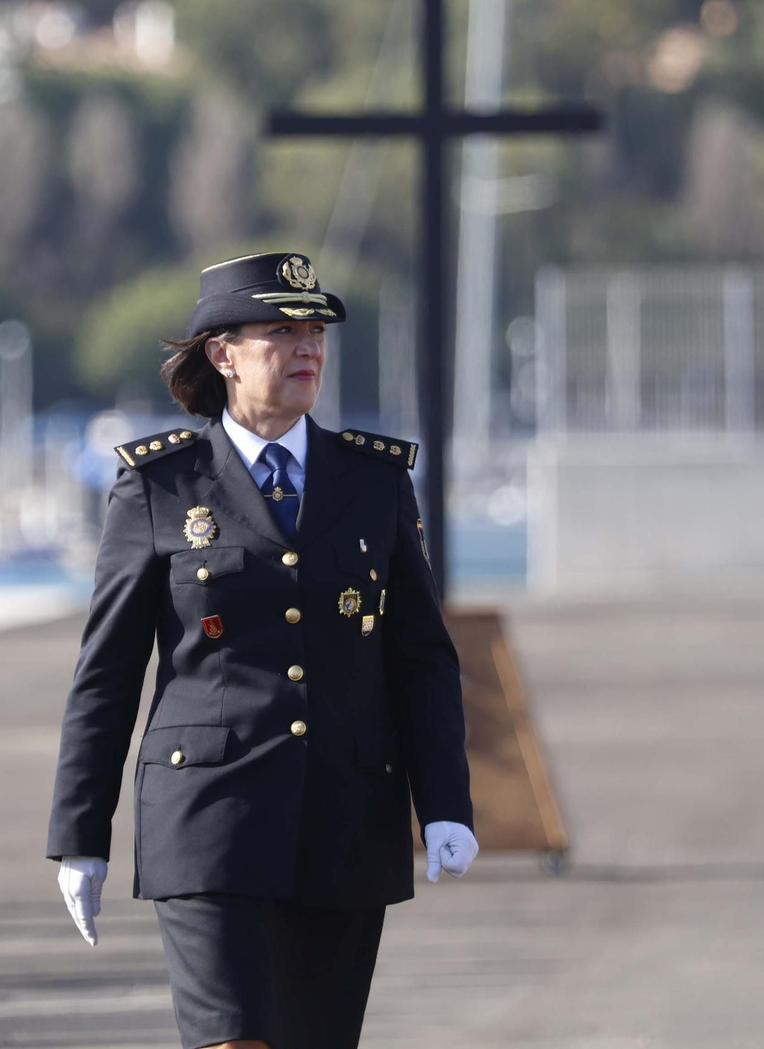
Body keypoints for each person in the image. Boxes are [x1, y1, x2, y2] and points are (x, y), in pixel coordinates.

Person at [46, 252, 481, 1049]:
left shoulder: (374, 481)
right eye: (282, 331)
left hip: (346, 817)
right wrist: (81, 832)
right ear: (223, 354)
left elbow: (419, 656)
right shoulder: (160, 486)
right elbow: (106, 674)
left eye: (314, 331)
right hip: (207, 818)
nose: (307, 348)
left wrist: (446, 800)